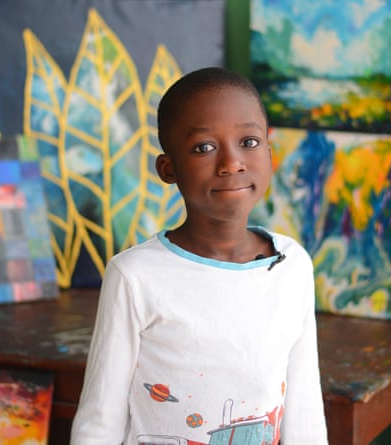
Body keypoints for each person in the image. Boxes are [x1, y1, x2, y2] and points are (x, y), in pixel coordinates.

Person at [70, 67, 328, 445]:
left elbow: (304, 409)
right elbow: (100, 420)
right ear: (167, 168)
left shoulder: (292, 266)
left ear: (270, 153)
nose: (231, 163)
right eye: (204, 147)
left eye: (249, 142)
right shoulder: (134, 275)